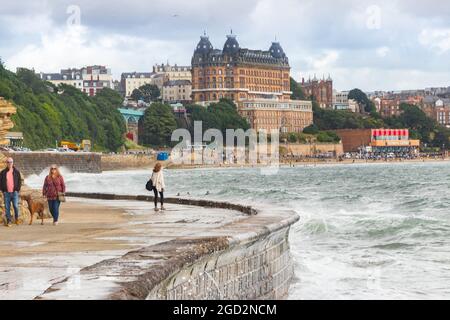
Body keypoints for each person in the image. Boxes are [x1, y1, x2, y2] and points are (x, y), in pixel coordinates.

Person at [0, 157, 22, 227]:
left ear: (13, 163)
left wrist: (17, 189)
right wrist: (2, 190)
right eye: (8, 162)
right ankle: (9, 221)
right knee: (7, 207)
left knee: (15, 206)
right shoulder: (3, 172)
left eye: (11, 162)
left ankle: (16, 218)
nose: (9, 163)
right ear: (6, 163)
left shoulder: (16, 172)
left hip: (14, 193)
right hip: (6, 193)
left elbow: (19, 181)